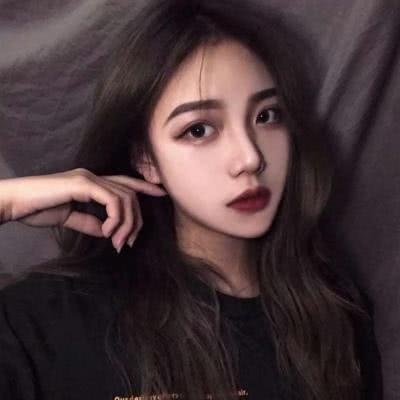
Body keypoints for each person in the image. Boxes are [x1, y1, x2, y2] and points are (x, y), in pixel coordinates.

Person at [0, 0, 383, 399]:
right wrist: (4, 202)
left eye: (266, 116)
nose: (250, 158)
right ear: (146, 160)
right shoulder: (54, 320)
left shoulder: (336, 312)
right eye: (199, 130)